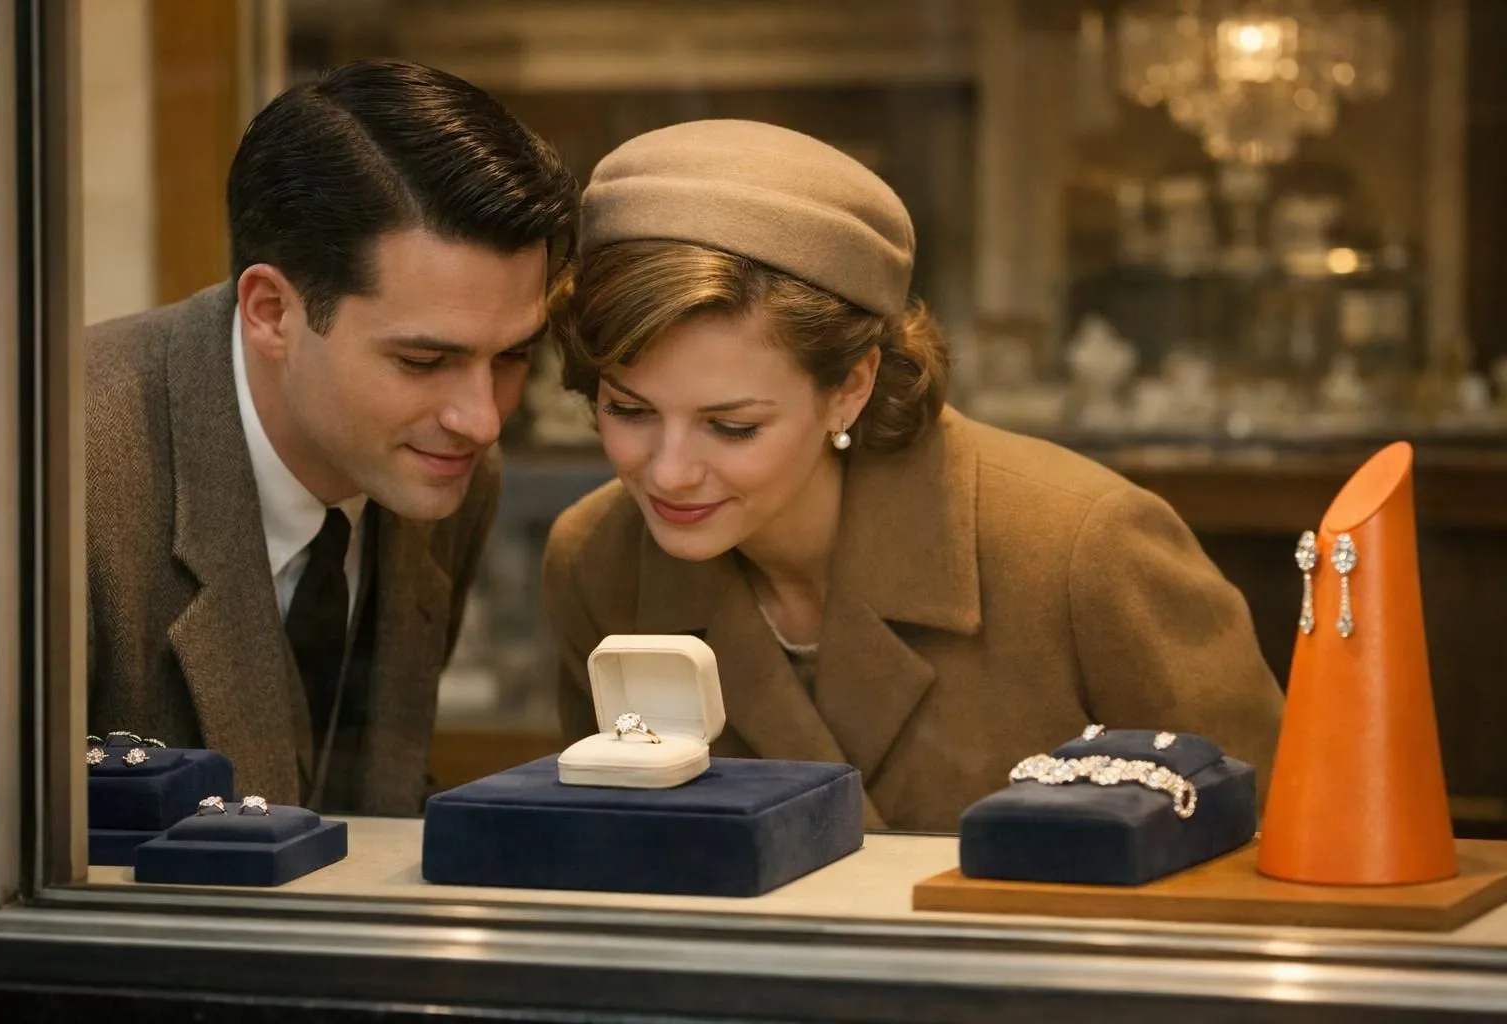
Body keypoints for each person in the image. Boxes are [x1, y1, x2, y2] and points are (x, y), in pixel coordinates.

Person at [542, 119, 1283, 832]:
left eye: (732, 426)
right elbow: (618, 855)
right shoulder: (597, 560)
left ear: (852, 386)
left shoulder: (1082, 549)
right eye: (629, 410)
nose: (668, 473)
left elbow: (1264, 843)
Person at [86, 59, 577, 815]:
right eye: (423, 360)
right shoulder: (60, 476)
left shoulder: (452, 468)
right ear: (272, 312)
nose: (480, 420)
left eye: (513, 356)